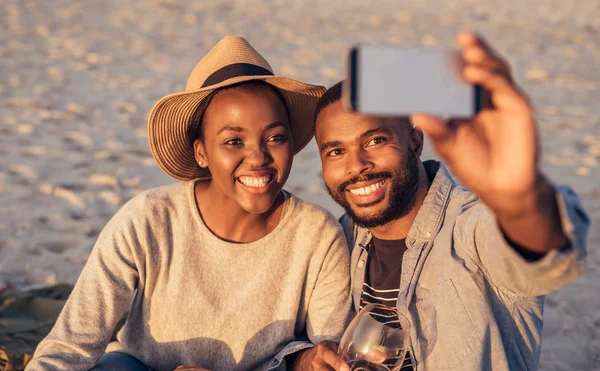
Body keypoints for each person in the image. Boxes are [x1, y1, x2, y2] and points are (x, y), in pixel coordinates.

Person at [26, 36, 351, 371]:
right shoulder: (149, 218)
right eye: (233, 141)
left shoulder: (317, 234)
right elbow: (71, 344)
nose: (258, 157)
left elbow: (325, 352)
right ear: (201, 152)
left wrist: (314, 357)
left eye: (275, 137)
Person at [290, 32, 589, 370]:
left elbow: (539, 250)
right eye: (336, 151)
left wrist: (518, 198)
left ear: (415, 141)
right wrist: (307, 360)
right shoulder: (339, 236)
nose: (356, 165)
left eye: (375, 140)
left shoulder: (470, 227)